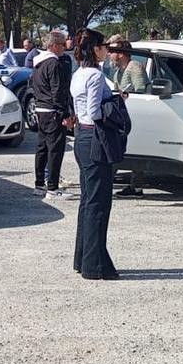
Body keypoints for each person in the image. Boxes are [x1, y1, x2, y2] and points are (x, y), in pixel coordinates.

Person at [71, 28, 124, 281]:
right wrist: (114, 104)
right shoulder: (95, 75)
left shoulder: (78, 73)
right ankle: (95, 265)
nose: (106, 49)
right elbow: (94, 112)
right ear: (95, 48)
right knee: (98, 203)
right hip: (94, 138)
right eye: (103, 45)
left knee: (88, 201)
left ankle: (84, 259)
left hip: (82, 137)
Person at [30, 30, 74, 200]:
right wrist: (64, 113)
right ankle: (53, 188)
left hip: (41, 109)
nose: (65, 48)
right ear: (54, 46)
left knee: (42, 148)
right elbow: (58, 90)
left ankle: (39, 184)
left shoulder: (38, 63)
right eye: (63, 44)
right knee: (55, 150)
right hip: (52, 110)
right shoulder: (54, 64)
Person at [108, 38, 148, 197]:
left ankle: (136, 187)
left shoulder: (134, 68)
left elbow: (141, 90)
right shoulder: (119, 71)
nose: (110, 55)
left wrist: (127, 96)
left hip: (135, 114)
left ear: (121, 54)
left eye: (112, 52)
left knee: (135, 149)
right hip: (122, 115)